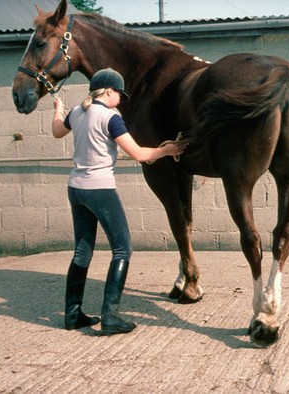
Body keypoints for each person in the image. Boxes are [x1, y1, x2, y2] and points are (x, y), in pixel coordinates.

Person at [52, 68, 187, 335]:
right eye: (119, 94)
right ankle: (110, 316)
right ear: (108, 91)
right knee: (122, 249)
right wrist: (167, 150)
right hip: (100, 189)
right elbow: (138, 154)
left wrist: (58, 108)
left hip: (76, 188)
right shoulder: (111, 117)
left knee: (82, 250)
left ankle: (72, 314)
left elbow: (57, 131)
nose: (121, 99)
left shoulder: (76, 112)